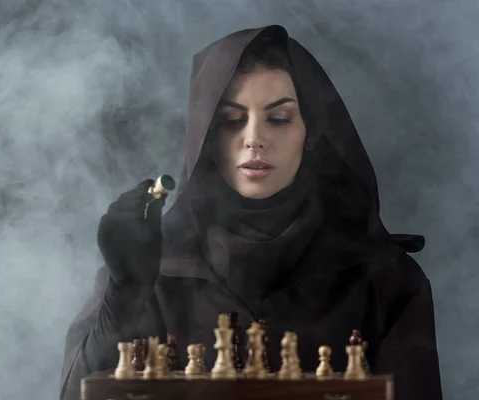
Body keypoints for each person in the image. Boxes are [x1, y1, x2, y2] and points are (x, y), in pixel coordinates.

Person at [59, 25, 442, 400]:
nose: (255, 138)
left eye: (278, 118)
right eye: (231, 120)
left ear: (310, 133)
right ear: (207, 137)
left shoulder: (385, 279)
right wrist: (125, 296)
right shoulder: (148, 268)